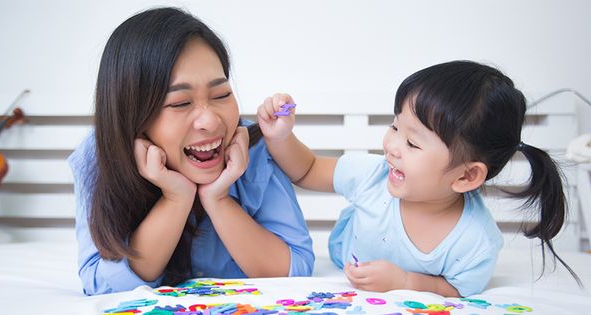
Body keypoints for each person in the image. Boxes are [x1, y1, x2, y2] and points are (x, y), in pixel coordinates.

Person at [257, 60, 580, 297]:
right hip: (343, 261)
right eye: (395, 126)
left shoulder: (475, 243)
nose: (392, 146)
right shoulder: (373, 177)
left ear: (467, 175)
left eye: (412, 143)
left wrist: (405, 282)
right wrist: (281, 137)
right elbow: (308, 169)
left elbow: (455, 289)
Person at [68, 7, 314, 295]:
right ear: (133, 115)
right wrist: (175, 200)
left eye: (221, 94)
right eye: (180, 103)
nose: (211, 122)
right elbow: (100, 284)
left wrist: (218, 199)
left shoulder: (254, 146)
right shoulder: (100, 155)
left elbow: (295, 268)